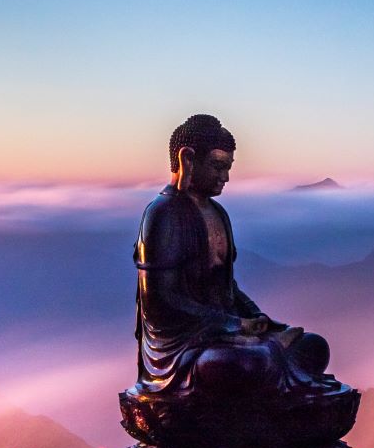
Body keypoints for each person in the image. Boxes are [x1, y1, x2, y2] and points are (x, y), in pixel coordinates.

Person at [131, 114, 336, 401]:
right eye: (217, 166)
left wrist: (258, 319)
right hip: (182, 348)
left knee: (313, 347)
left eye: (228, 168)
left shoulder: (218, 214)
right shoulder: (163, 214)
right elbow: (161, 301)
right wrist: (233, 326)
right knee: (246, 363)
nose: (225, 177)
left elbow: (227, 287)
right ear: (187, 160)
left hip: (224, 331)